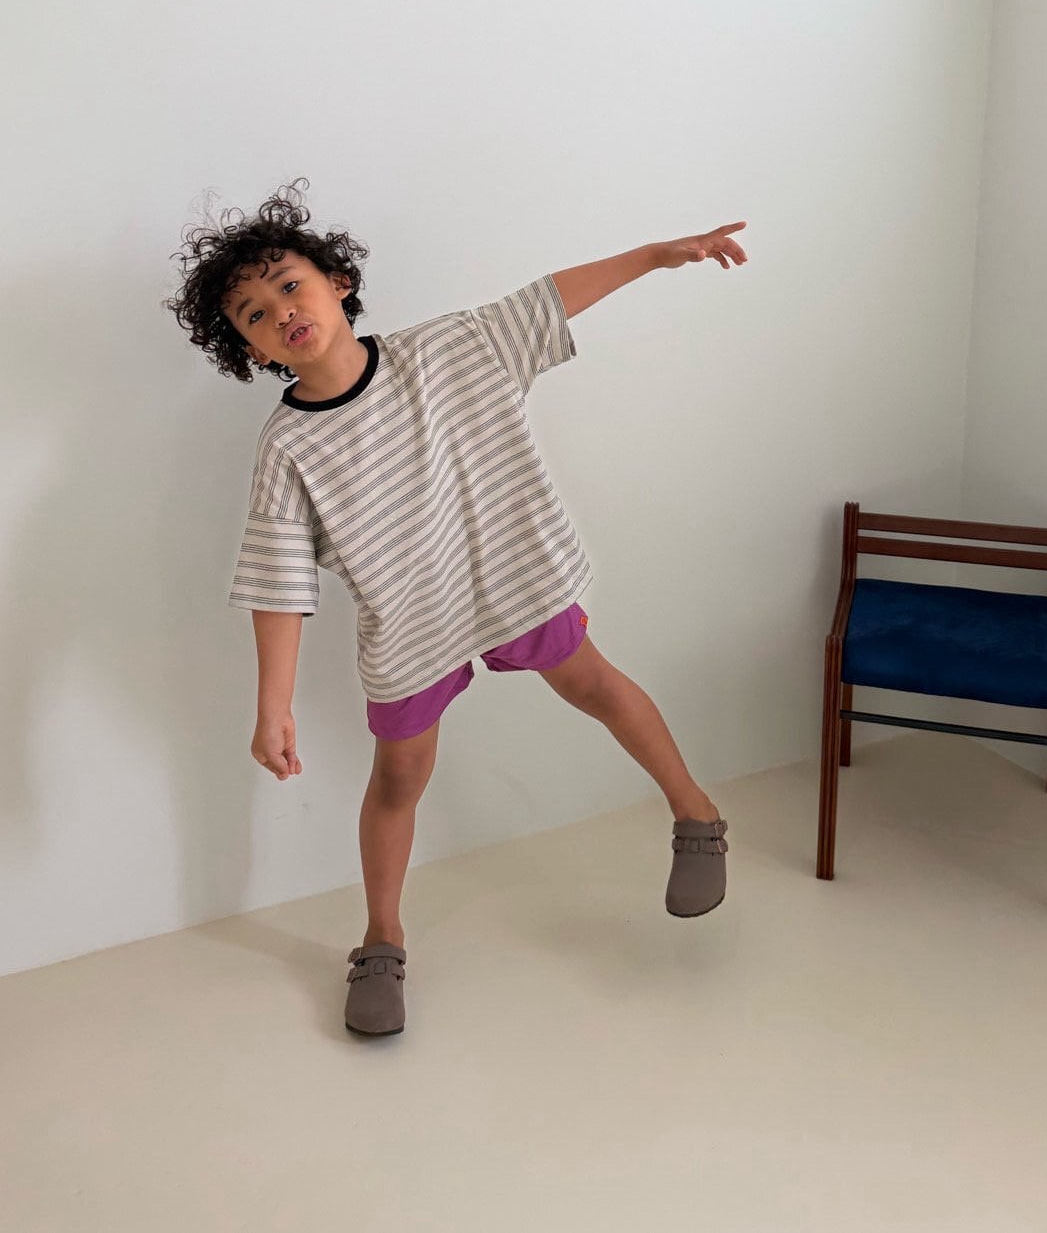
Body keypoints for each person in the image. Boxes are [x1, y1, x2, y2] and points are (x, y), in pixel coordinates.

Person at [168, 181, 748, 1036]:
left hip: (509, 573)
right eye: (255, 313)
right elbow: (277, 583)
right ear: (251, 350)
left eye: (290, 284)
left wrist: (661, 255)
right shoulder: (287, 447)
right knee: (399, 777)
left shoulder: (449, 349)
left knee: (593, 684)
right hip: (409, 621)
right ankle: (381, 939)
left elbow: (548, 300)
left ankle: (697, 814)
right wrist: (273, 705)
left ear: (337, 282)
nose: (282, 310)